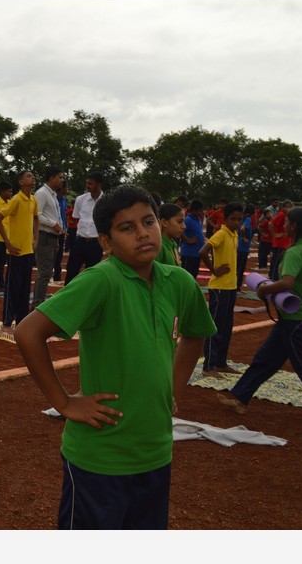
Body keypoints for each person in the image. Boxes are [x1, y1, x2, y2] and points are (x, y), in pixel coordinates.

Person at [13, 184, 216, 530]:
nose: (143, 233)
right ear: (106, 241)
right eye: (127, 228)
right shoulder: (101, 281)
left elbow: (195, 335)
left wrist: (172, 390)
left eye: (148, 222)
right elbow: (28, 332)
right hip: (99, 457)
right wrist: (64, 403)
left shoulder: (180, 282)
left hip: (155, 452)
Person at [219, 206, 302, 413]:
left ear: (294, 226)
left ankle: (240, 397)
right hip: (295, 316)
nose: (284, 225)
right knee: (266, 360)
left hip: (294, 317)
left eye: (287, 222)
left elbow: (287, 282)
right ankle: (240, 398)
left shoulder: (294, 252)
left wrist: (264, 289)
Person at [199, 202, 244, 378]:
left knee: (226, 327)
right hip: (219, 288)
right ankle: (208, 366)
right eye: (233, 219)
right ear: (225, 219)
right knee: (215, 327)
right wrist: (214, 270)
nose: (236, 222)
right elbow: (203, 251)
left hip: (231, 287)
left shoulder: (234, 234)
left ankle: (221, 363)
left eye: (239, 219)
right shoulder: (221, 234)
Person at [0, 170, 38, 334]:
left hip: (28, 252)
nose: (32, 177)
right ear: (21, 182)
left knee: (25, 290)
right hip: (15, 253)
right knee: (12, 289)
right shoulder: (16, 200)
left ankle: (21, 323)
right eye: (28, 176)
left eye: (32, 175)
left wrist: (36, 238)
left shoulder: (33, 199)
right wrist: (8, 243)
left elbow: (36, 218)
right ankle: (6, 323)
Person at [63, 171, 105, 285]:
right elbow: (76, 217)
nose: (87, 186)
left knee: (92, 276)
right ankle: (68, 295)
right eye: (87, 183)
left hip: (96, 243)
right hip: (80, 241)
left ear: (99, 185)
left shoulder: (106, 201)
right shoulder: (80, 199)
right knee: (71, 272)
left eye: (90, 183)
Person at [32, 166, 65, 309]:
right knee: (44, 273)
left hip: (52, 237)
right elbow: (36, 215)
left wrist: (59, 227)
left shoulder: (52, 194)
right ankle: (37, 304)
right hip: (45, 236)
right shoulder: (42, 193)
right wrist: (54, 224)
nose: (62, 180)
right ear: (51, 178)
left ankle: (39, 301)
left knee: (46, 272)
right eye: (60, 177)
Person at [180, 199, 206, 279]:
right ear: (194, 210)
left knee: (194, 274)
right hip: (189, 253)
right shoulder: (188, 220)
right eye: (200, 211)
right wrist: (187, 240)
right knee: (187, 276)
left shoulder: (197, 219)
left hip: (196, 253)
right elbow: (180, 230)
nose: (202, 212)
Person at [269, 200, 293, 281]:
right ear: (283, 207)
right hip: (280, 242)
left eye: (289, 207)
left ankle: (274, 277)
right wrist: (275, 234)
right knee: (276, 261)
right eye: (286, 207)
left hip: (285, 242)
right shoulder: (282, 214)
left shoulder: (288, 215)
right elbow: (271, 223)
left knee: (279, 261)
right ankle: (273, 277)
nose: (288, 209)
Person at [53, 181, 69, 284]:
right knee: (52, 254)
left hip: (62, 231)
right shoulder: (54, 199)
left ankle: (57, 276)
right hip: (54, 230)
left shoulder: (63, 199)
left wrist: (65, 227)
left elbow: (64, 215)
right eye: (66, 187)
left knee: (59, 255)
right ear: (62, 188)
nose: (67, 189)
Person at [236, 204, 254, 291]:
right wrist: (244, 238)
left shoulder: (243, 218)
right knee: (240, 268)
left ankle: (236, 285)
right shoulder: (248, 219)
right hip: (243, 247)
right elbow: (243, 228)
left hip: (240, 245)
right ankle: (237, 286)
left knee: (238, 266)